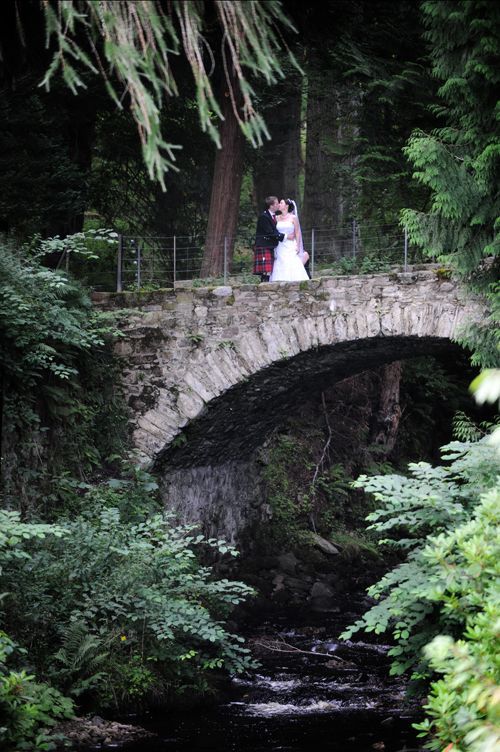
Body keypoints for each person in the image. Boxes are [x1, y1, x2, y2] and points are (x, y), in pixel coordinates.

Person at [269, 199, 309, 282]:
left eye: (281, 203)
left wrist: (298, 246)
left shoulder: (293, 218)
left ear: (286, 206)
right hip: (280, 244)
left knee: (292, 261)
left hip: (290, 244)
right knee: (280, 262)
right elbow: (275, 232)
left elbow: (297, 233)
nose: (279, 204)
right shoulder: (277, 218)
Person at [253, 196, 285, 282]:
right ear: (271, 206)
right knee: (265, 271)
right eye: (277, 203)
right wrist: (284, 237)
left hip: (270, 245)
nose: (278, 205)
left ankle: (265, 286)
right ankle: (264, 287)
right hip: (264, 245)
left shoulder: (274, 216)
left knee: (269, 270)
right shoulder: (264, 216)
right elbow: (270, 232)